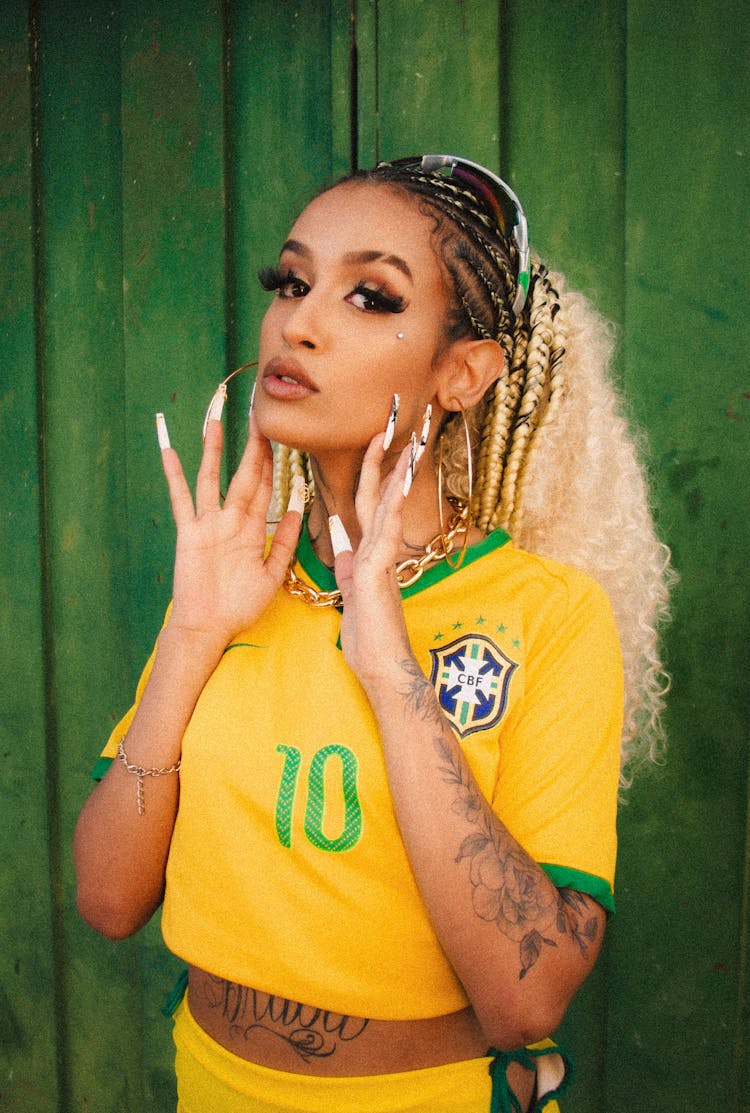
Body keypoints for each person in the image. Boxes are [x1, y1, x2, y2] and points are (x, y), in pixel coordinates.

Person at [74, 154, 672, 1113]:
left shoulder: (549, 614)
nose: (298, 322)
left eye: (371, 297)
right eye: (293, 283)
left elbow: (527, 997)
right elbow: (108, 901)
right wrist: (191, 632)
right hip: (210, 1085)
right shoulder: (237, 578)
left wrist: (390, 664)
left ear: (464, 371)